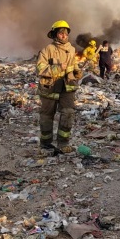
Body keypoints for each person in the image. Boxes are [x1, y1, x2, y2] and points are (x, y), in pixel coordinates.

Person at [36, 20, 82, 153]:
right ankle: (45, 143)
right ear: (55, 34)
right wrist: (57, 68)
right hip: (49, 87)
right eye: (61, 33)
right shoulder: (47, 50)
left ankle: (63, 143)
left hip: (67, 87)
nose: (64, 35)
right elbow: (40, 69)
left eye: (66, 33)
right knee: (47, 115)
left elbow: (73, 65)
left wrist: (77, 71)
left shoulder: (72, 50)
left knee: (68, 113)